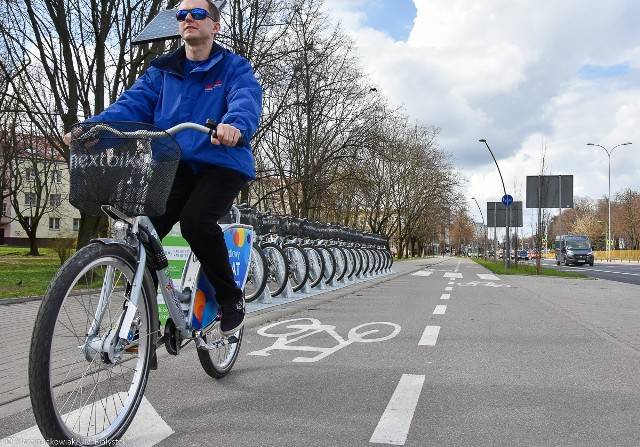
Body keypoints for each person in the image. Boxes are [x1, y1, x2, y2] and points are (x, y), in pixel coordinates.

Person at [64, 0, 262, 336]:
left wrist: (235, 126)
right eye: (182, 14)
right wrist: (92, 129)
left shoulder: (233, 67)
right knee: (146, 229)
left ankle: (231, 298)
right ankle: (138, 316)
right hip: (176, 164)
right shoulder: (162, 71)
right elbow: (131, 105)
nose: (188, 19)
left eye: (198, 14)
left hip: (222, 162)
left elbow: (245, 98)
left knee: (196, 222)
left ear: (215, 26)